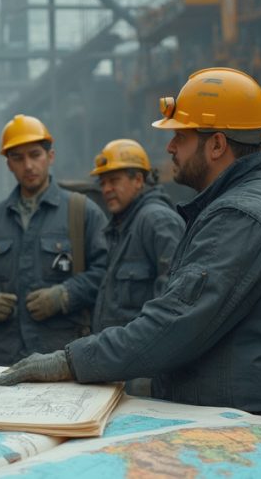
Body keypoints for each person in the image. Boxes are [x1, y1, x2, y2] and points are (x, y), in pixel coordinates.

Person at [0, 68, 261, 424]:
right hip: (240, 421)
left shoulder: (241, 217)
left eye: (180, 137)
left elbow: (173, 325)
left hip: (250, 431)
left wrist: (69, 362)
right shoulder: (239, 208)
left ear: (216, 144)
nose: (169, 148)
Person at [0, 114, 108, 366]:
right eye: (17, 158)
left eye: (35, 155)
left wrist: (64, 295)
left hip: (63, 357)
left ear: (50, 156)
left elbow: (106, 271)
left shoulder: (81, 212)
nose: (28, 166)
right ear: (8, 163)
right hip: (4, 356)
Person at [89, 139, 185, 396]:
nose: (106, 189)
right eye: (103, 182)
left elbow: (173, 304)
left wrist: (149, 376)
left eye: (114, 180)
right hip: (122, 367)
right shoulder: (123, 227)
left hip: (143, 373)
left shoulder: (156, 220)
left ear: (139, 180)